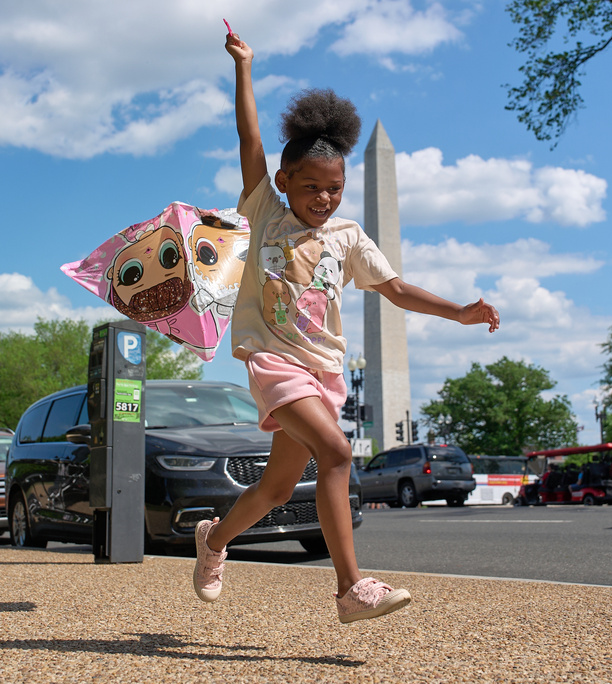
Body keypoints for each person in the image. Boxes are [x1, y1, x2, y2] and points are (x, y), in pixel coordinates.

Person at [193, 28, 501, 624]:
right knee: (336, 453)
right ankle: (351, 588)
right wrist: (245, 68)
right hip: (273, 360)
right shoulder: (263, 213)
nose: (324, 199)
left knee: (278, 490)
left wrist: (459, 310)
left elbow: (396, 289)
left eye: (334, 189)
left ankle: (213, 540)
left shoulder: (349, 237)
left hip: (323, 371)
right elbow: (249, 137)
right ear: (284, 183)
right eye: (311, 187)